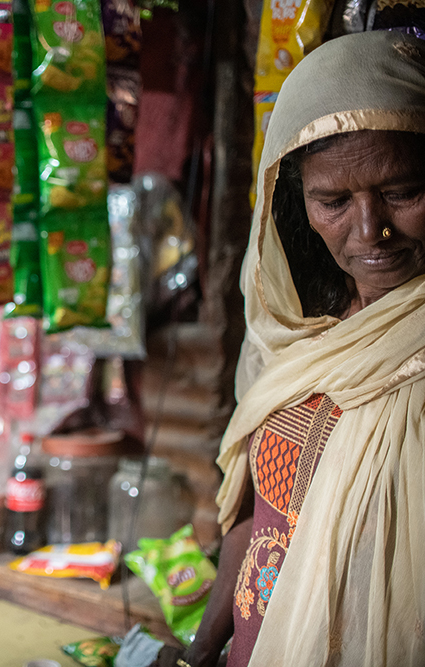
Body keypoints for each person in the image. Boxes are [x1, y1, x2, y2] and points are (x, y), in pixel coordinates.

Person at [155, 30, 425, 667]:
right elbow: (257, 526)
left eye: (404, 191)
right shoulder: (298, 338)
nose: (370, 232)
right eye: (333, 201)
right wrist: (201, 657)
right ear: (296, 204)